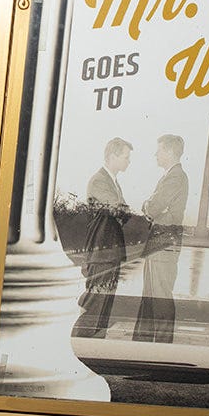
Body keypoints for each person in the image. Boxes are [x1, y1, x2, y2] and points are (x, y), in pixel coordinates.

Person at [72, 137, 132, 338]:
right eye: (126, 157)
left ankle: (93, 343)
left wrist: (122, 211)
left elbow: (122, 212)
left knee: (104, 302)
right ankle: (80, 341)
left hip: (109, 252)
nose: (128, 161)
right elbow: (120, 210)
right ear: (113, 156)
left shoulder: (112, 182)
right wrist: (122, 211)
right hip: (102, 251)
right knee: (96, 302)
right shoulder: (100, 181)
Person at [132, 134, 188, 344]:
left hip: (164, 241)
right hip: (159, 241)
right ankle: (143, 343)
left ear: (170, 152)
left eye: (159, 150)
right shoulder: (170, 176)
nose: (155, 154)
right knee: (150, 295)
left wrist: (148, 205)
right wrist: (151, 206)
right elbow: (155, 207)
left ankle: (162, 346)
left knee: (160, 296)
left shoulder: (175, 177)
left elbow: (153, 207)